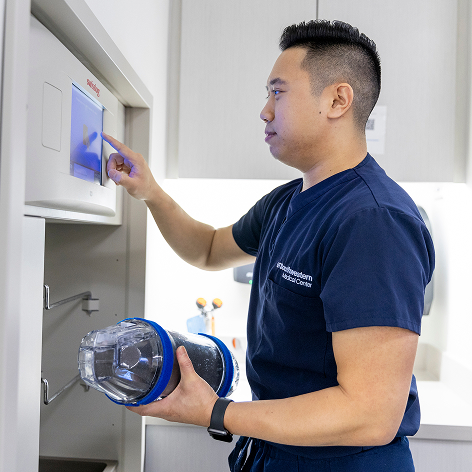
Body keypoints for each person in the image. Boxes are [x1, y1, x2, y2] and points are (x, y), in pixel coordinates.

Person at [102, 19, 434, 472]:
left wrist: (214, 412)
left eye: (277, 92)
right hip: (274, 451)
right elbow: (208, 248)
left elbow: (370, 415)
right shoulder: (287, 201)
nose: (264, 110)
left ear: (338, 99)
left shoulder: (374, 220)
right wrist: (151, 193)